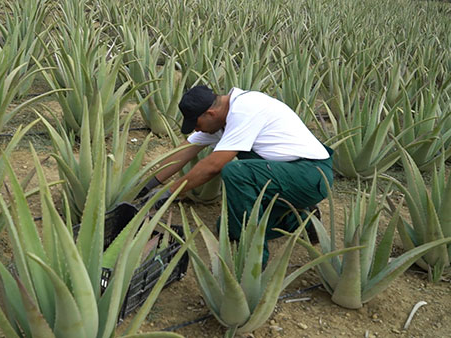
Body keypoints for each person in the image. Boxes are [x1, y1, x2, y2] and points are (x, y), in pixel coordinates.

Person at [140, 85, 334, 265]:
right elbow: (184, 151)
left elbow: (213, 166)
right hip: (284, 172)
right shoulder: (221, 119)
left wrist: (170, 192)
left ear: (210, 113)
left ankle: (255, 262)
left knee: (236, 172)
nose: (196, 129)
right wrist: (147, 186)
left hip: (309, 174)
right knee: (231, 229)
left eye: (196, 123)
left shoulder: (244, 109)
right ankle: (302, 220)